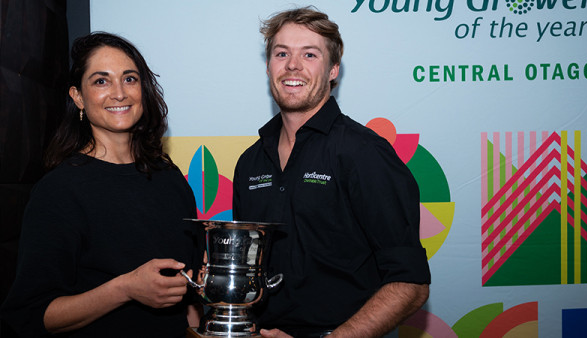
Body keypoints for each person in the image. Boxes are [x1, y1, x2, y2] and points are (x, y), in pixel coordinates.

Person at [232, 7, 431, 338]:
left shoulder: (365, 153)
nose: (292, 65)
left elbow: (410, 283)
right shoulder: (250, 162)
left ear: (333, 70)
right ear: (269, 67)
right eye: (282, 53)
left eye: (309, 54)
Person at [0, 32, 202, 337]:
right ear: (78, 97)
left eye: (130, 79)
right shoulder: (58, 191)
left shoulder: (170, 178)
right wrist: (125, 288)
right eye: (101, 81)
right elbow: (31, 313)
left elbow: (188, 291)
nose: (119, 93)